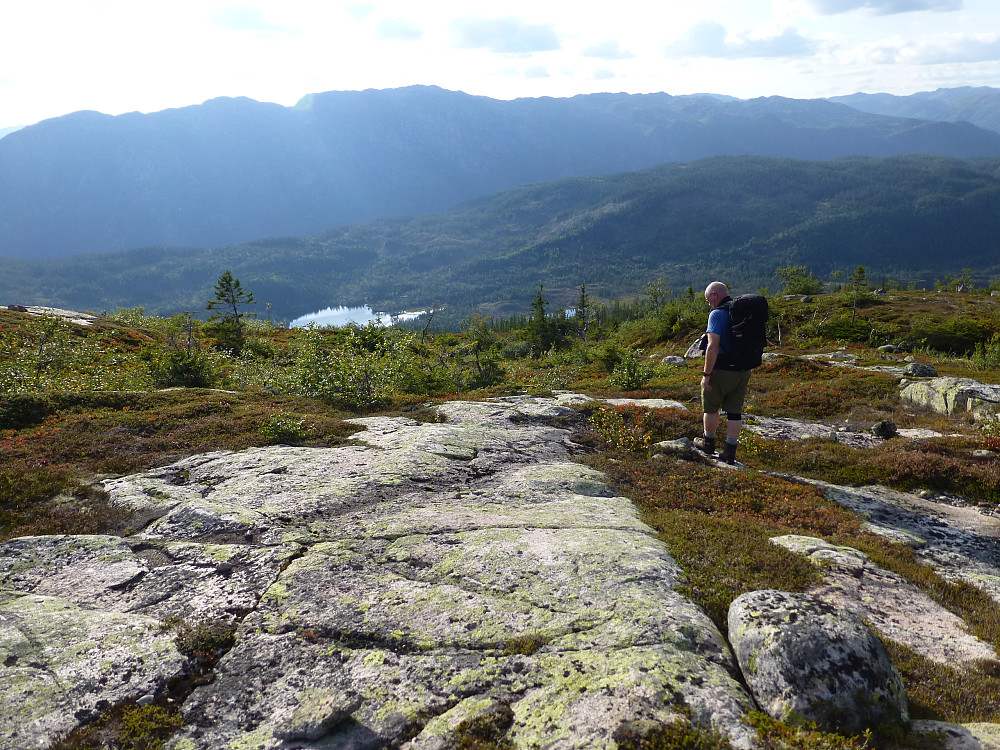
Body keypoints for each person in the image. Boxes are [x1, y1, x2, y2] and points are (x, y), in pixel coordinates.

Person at [693, 281, 752, 465]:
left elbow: (712, 347)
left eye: (708, 299)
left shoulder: (717, 314)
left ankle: (708, 443)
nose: (708, 303)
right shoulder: (742, 313)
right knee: (735, 412)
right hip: (743, 370)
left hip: (722, 370)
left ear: (715, 295)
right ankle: (729, 451)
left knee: (711, 407)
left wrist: (706, 375)